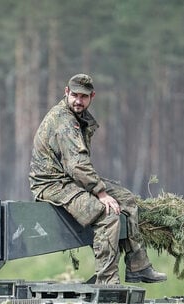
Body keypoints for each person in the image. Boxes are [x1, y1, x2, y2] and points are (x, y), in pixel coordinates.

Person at [29, 73, 166, 285]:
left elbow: (76, 168)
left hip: (69, 179)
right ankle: (107, 281)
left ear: (92, 96)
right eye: (74, 95)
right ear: (66, 92)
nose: (78, 100)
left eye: (83, 97)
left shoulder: (78, 117)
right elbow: (77, 164)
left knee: (127, 200)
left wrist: (100, 190)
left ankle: (138, 266)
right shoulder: (64, 121)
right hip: (52, 184)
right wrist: (100, 193)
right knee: (107, 215)